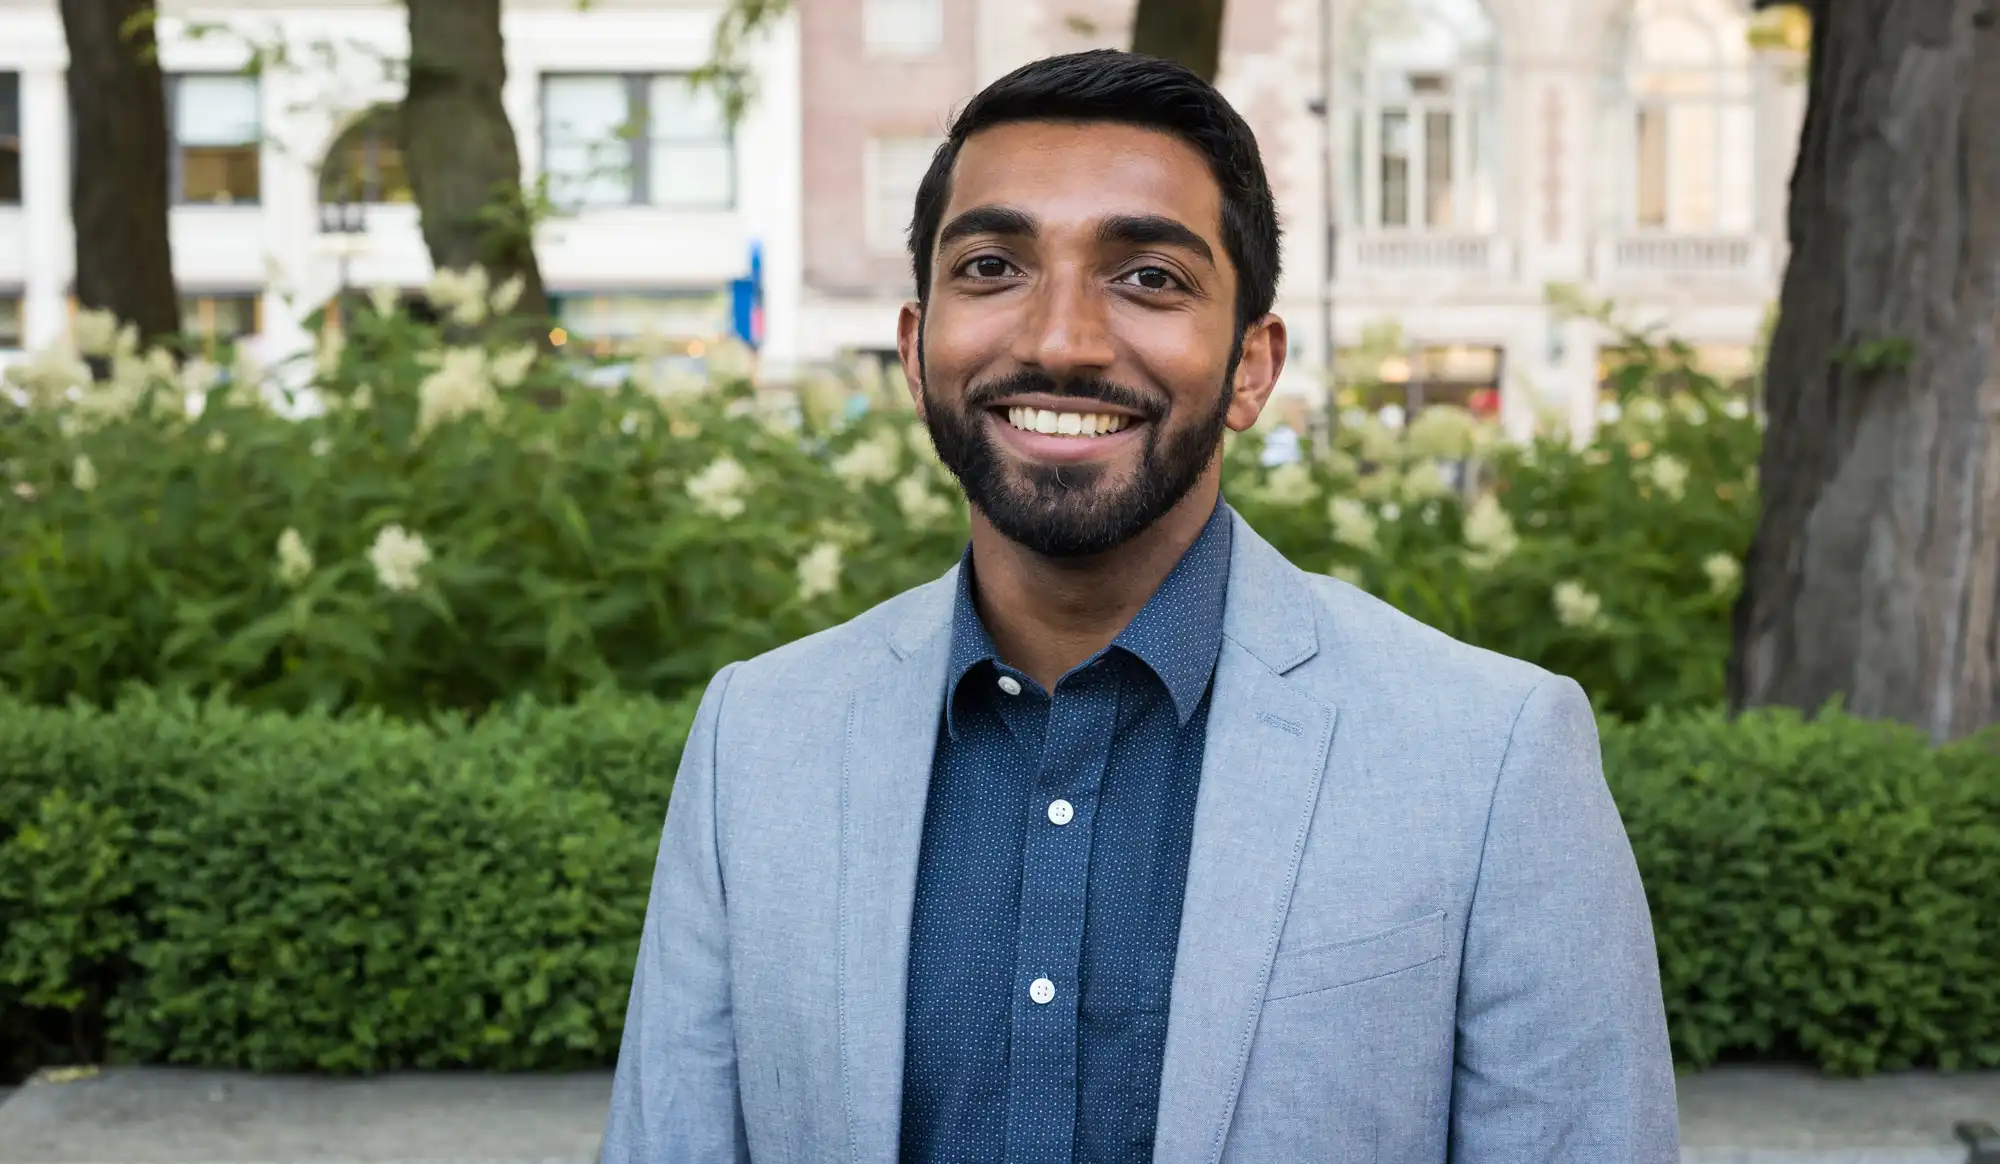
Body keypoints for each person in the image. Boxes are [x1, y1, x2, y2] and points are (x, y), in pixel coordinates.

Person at [601, 49, 1678, 1164]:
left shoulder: (1491, 753)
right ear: (915, 351)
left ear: (1251, 367)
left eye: (1148, 278)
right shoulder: (756, 740)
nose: (1059, 339)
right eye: (990, 266)